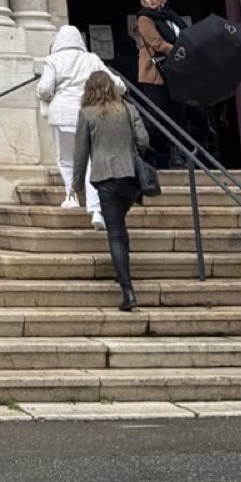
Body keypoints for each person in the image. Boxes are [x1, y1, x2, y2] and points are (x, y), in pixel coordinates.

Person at [72, 70, 151, 313]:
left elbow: (80, 153)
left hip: (105, 178)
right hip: (129, 178)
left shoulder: (87, 115)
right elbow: (144, 140)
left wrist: (76, 185)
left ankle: (127, 291)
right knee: (120, 226)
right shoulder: (128, 109)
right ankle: (122, 274)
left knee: (115, 232)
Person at [37, 23, 124, 229]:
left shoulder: (53, 60)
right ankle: (96, 209)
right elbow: (115, 83)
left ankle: (72, 196)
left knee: (66, 160)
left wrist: (44, 93)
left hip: (61, 115)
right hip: (88, 114)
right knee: (91, 162)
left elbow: (45, 88)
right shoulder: (91, 59)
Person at [132, 0, 184, 166]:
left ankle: (174, 155)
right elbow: (157, 43)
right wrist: (181, 48)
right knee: (156, 116)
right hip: (154, 73)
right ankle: (146, 156)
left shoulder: (170, 16)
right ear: (143, 1)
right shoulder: (144, 18)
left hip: (173, 71)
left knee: (175, 114)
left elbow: (183, 32)